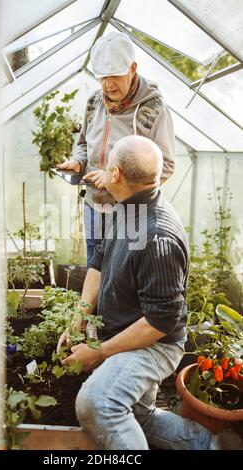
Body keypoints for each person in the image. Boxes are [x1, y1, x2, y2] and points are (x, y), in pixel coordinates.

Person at [57, 135, 241, 450]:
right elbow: (98, 263)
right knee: (137, 418)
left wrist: (101, 352)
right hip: (125, 332)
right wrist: (80, 315)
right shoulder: (127, 207)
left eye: (108, 164)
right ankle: (214, 445)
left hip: (154, 344)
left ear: (115, 175)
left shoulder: (158, 237)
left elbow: (160, 321)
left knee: (98, 403)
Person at [58, 32, 175, 266]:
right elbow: (83, 143)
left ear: (132, 68)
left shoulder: (154, 111)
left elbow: (166, 166)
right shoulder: (94, 102)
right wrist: (78, 162)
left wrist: (113, 181)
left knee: (122, 275)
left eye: (115, 76)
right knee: (95, 265)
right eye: (102, 77)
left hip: (130, 212)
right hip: (93, 205)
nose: (108, 85)